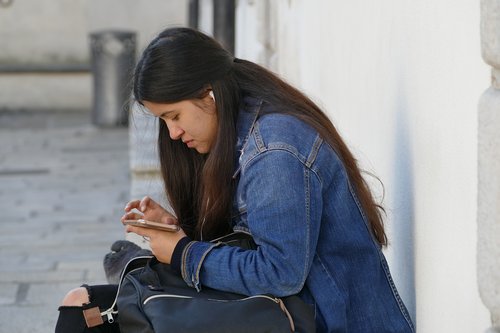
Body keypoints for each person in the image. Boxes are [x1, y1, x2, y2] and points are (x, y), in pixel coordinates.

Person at [55, 27, 415, 333]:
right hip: (282, 311)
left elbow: (279, 273)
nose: (174, 132)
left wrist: (182, 253)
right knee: (83, 306)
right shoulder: (241, 127)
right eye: (163, 121)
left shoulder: (274, 151)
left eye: (174, 115)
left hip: (324, 320)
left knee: (97, 316)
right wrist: (177, 230)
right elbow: (253, 242)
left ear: (208, 94)